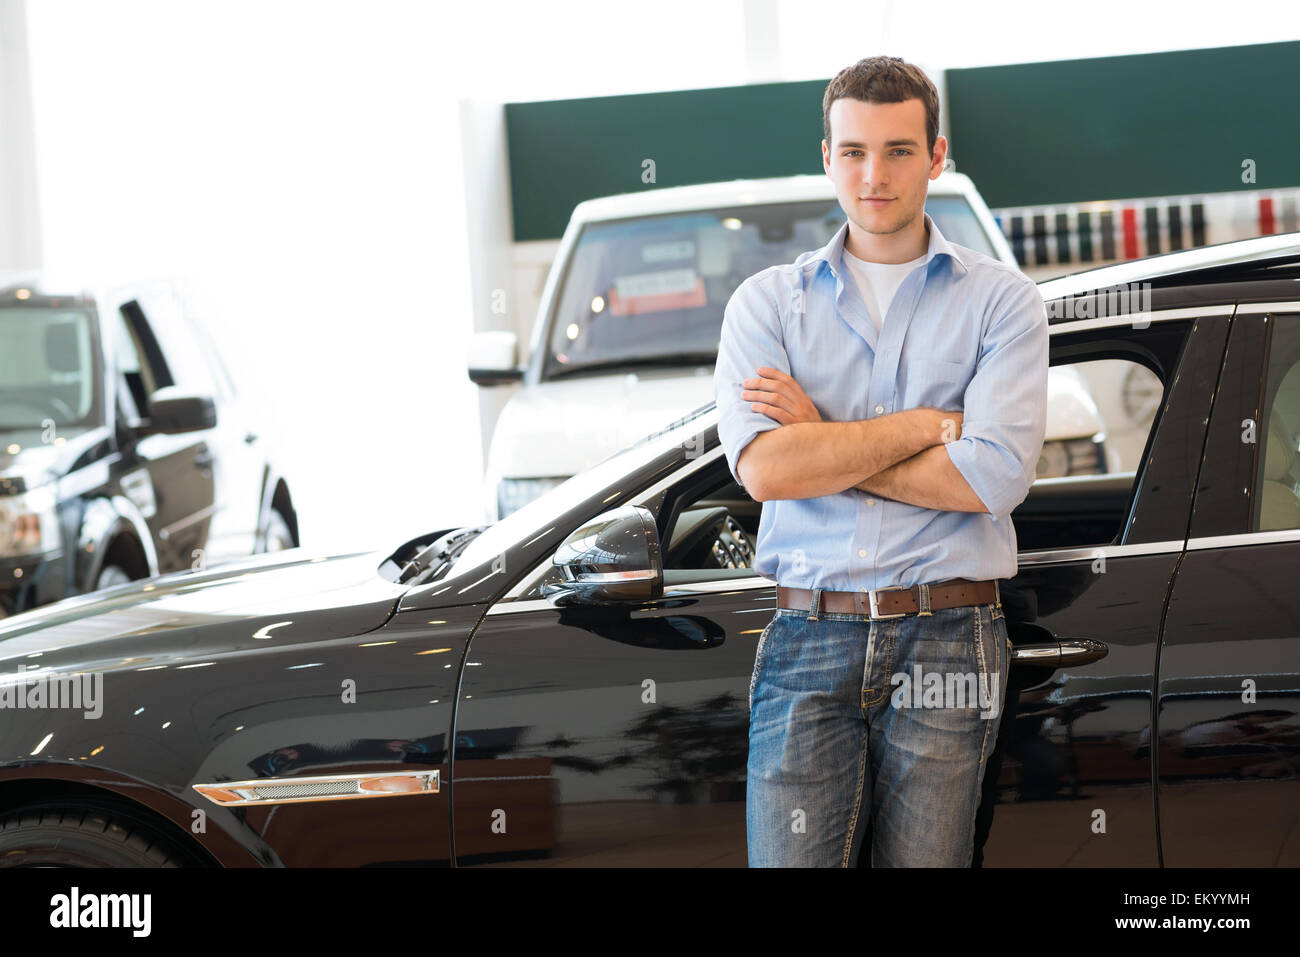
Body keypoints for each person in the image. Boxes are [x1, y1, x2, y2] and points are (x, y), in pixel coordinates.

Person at [714, 55, 1048, 867]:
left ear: (937, 156)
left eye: (899, 150)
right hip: (807, 633)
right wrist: (930, 426)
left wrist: (820, 440)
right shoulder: (767, 305)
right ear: (827, 157)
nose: (875, 174)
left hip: (949, 633)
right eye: (855, 151)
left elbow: (992, 478)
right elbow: (765, 472)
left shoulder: (1003, 303)